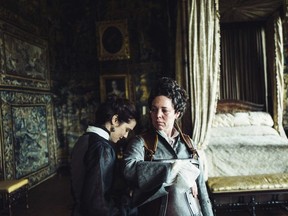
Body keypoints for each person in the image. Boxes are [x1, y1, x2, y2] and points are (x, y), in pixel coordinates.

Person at [122, 77, 214, 216]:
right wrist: (174, 169)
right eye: (154, 110)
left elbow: (202, 191)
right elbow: (128, 169)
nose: (158, 115)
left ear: (177, 113)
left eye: (164, 110)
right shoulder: (140, 142)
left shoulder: (189, 143)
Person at [70, 97, 137, 216]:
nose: (126, 135)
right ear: (115, 120)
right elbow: (96, 203)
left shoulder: (84, 139)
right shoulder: (102, 148)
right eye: (126, 129)